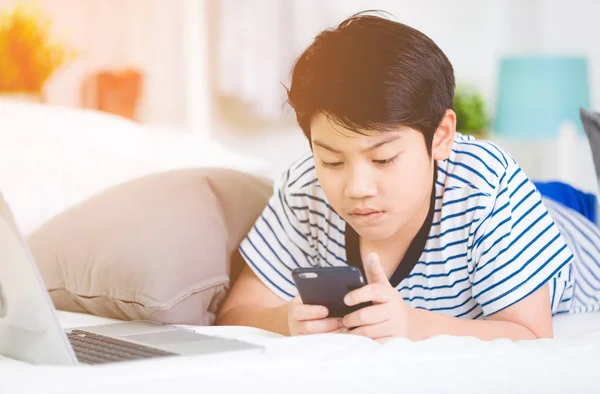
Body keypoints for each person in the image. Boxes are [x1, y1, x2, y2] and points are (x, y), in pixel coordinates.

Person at [215, 12, 600, 342]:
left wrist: (414, 324)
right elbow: (236, 313)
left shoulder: (486, 185)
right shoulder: (304, 191)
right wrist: (283, 320)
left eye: (383, 159)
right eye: (332, 162)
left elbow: (531, 334)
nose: (357, 189)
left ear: (441, 136)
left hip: (575, 219)